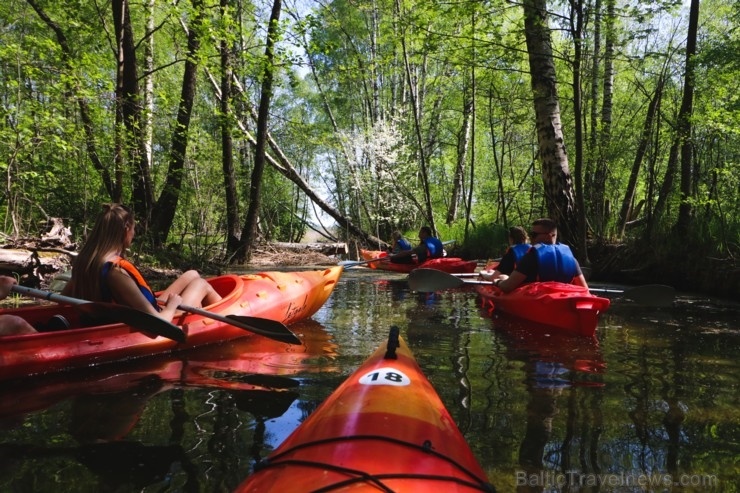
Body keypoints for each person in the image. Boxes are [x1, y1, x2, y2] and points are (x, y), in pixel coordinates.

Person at [62, 203, 221, 322]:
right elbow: (158, 322)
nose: (134, 233)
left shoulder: (85, 261)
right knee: (201, 284)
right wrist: (172, 305)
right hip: (158, 318)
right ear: (126, 229)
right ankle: (226, 320)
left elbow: (63, 299)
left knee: (192, 274)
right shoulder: (115, 272)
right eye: (133, 229)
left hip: (141, 310)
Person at [492, 218, 588, 293]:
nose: (530, 238)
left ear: (549, 235)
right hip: (563, 300)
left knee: (503, 278)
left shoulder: (531, 257)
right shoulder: (571, 259)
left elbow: (507, 287)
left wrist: (498, 282)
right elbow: (585, 290)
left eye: (534, 234)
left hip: (536, 301)